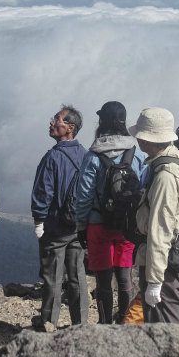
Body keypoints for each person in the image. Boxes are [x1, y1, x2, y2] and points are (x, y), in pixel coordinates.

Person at [71, 101, 143, 324]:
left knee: (102, 280)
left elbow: (83, 194)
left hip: (97, 224)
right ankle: (124, 322)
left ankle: (103, 325)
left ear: (102, 121)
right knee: (125, 277)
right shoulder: (136, 153)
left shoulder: (93, 155)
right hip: (127, 225)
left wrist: (81, 225)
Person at [31, 105, 89, 332]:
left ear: (70, 128)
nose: (52, 123)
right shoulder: (86, 155)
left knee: (52, 278)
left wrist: (39, 221)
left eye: (57, 120)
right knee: (77, 276)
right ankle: (81, 323)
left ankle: (48, 323)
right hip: (78, 226)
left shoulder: (53, 157)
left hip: (55, 228)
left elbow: (43, 192)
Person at [132, 107, 179, 326]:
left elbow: (161, 229)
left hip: (165, 269)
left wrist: (154, 281)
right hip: (169, 264)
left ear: (147, 139)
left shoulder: (165, 175)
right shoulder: (172, 164)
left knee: (167, 331)